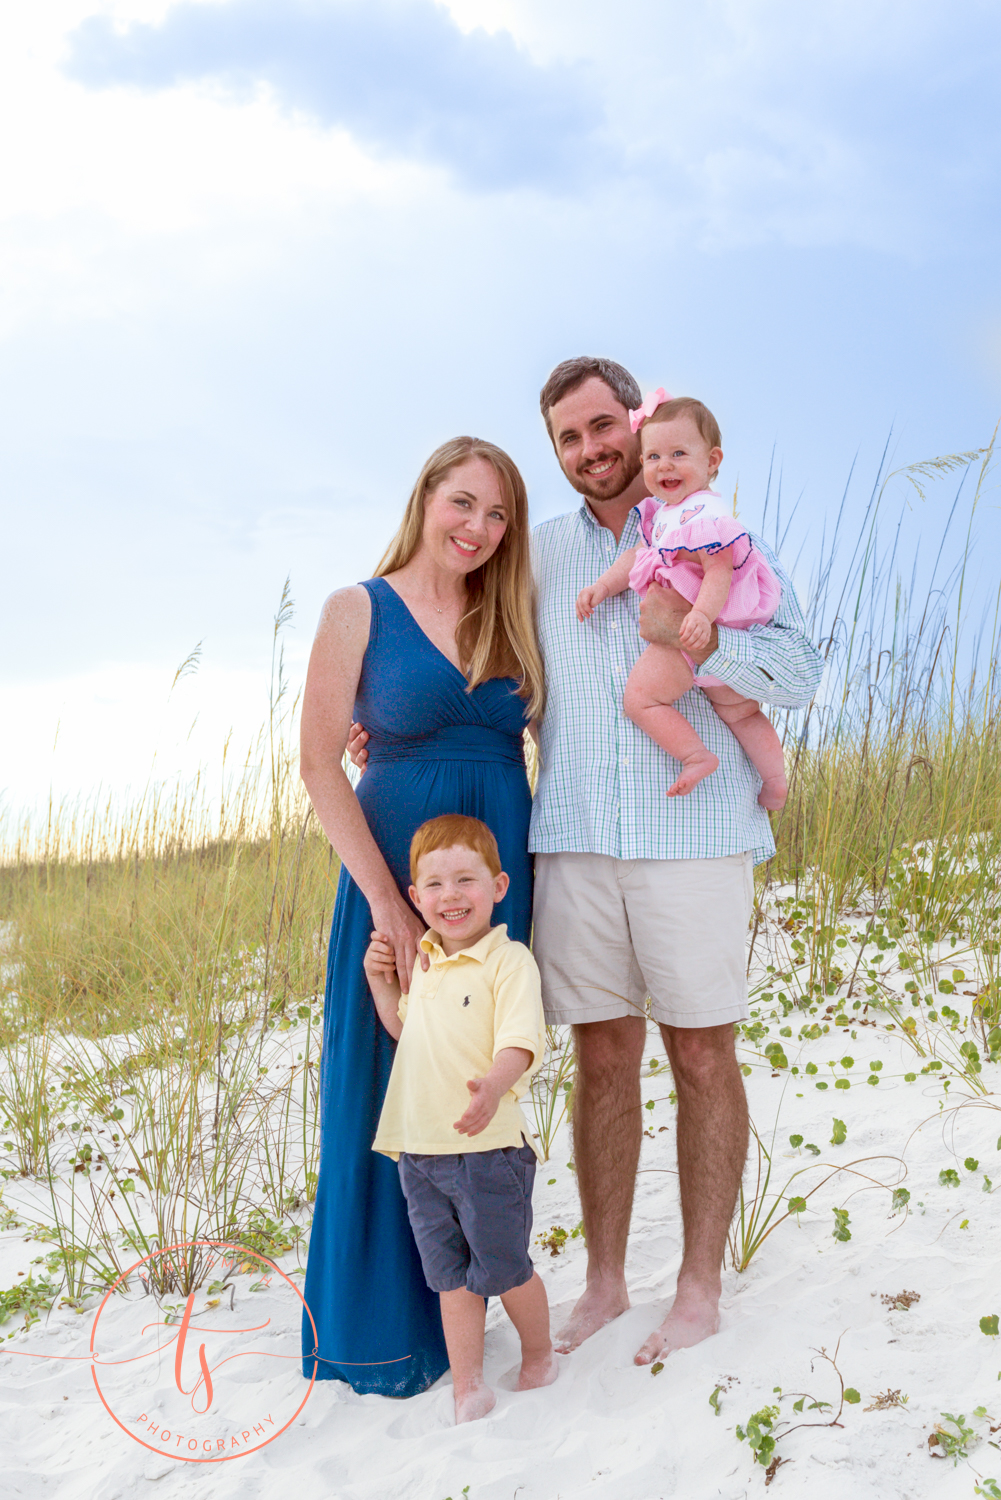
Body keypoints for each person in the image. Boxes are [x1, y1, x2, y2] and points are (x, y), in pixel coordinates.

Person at [531, 357, 823, 1366]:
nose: (592, 450)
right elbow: (489, 677)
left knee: (700, 1053)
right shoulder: (535, 559)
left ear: (639, 421)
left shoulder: (711, 525)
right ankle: (605, 1283)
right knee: (600, 1058)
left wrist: (691, 645)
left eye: (602, 426)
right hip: (571, 838)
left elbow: (799, 669)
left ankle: (696, 1286)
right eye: (568, 438)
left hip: (693, 839)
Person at [299, 436, 544, 1396]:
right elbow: (321, 761)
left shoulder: (507, 611)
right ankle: (384, 1332)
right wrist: (386, 904)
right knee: (384, 1089)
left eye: (497, 516)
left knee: (480, 1082)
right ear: (425, 497)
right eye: (463, 504)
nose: (477, 529)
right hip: (398, 878)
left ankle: (485, 1298)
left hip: (494, 882)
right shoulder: (356, 607)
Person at [365, 814, 555, 1424]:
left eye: (466, 881)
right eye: (436, 886)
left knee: (504, 1266)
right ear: (415, 898)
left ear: (498, 886)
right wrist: (380, 984)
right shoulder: (422, 964)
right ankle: (466, 1384)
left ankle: (540, 1353)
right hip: (420, 1153)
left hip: (490, 1148)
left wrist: (494, 1086)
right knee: (449, 1276)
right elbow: (406, 1033)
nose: (452, 897)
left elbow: (522, 1040)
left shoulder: (508, 961)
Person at [576, 391, 787, 808]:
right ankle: (775, 781)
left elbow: (719, 569)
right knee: (742, 713)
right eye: (653, 457)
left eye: (678, 453)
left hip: (689, 632)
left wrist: (703, 619)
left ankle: (695, 756)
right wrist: (601, 587)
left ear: (711, 462)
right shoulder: (665, 515)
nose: (664, 465)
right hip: (706, 633)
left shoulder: (704, 516)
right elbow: (638, 557)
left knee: (640, 699)